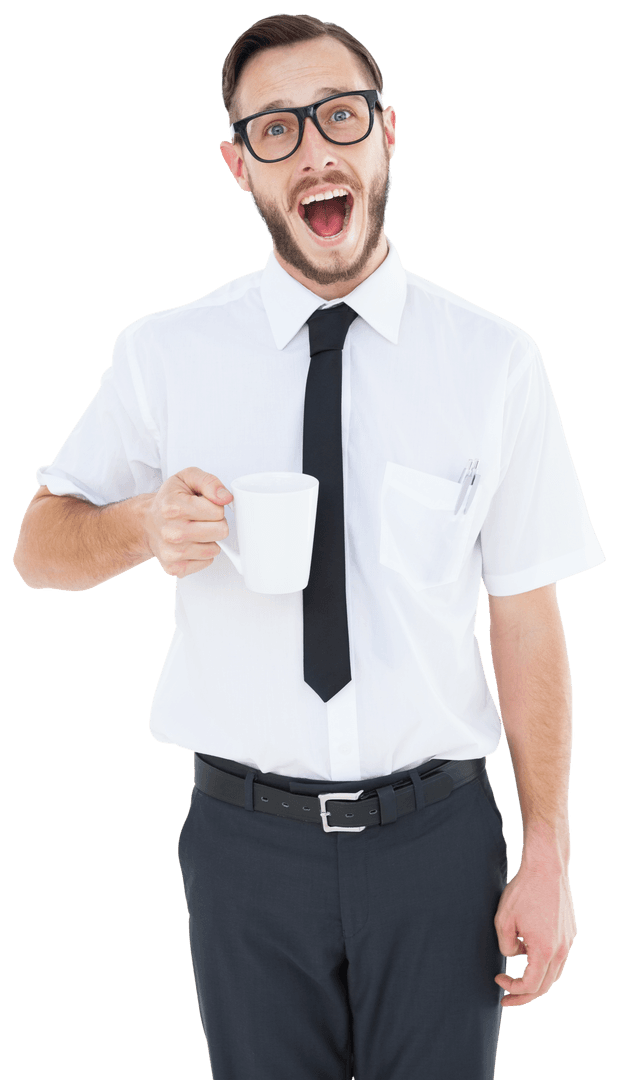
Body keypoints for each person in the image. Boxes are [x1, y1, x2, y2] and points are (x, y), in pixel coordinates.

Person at [13, 13, 605, 1080]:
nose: (315, 148)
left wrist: (550, 848)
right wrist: (142, 526)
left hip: (438, 844)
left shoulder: (494, 362)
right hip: (245, 846)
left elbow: (524, 611)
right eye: (275, 130)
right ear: (239, 167)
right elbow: (40, 548)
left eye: (339, 115)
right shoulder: (165, 352)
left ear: (388, 133)